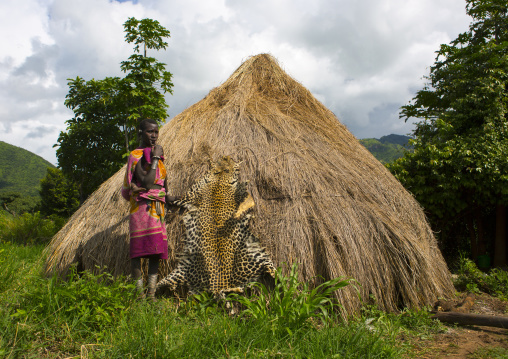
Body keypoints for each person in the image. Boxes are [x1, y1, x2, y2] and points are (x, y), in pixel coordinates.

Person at [121, 118, 178, 300]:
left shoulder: (160, 158)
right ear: (140, 133)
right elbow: (146, 181)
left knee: (155, 251)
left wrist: (170, 197)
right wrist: (154, 157)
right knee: (137, 252)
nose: (153, 136)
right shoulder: (136, 156)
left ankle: (151, 294)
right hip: (141, 208)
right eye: (149, 132)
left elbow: (162, 184)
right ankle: (139, 295)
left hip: (157, 208)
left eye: (156, 132)